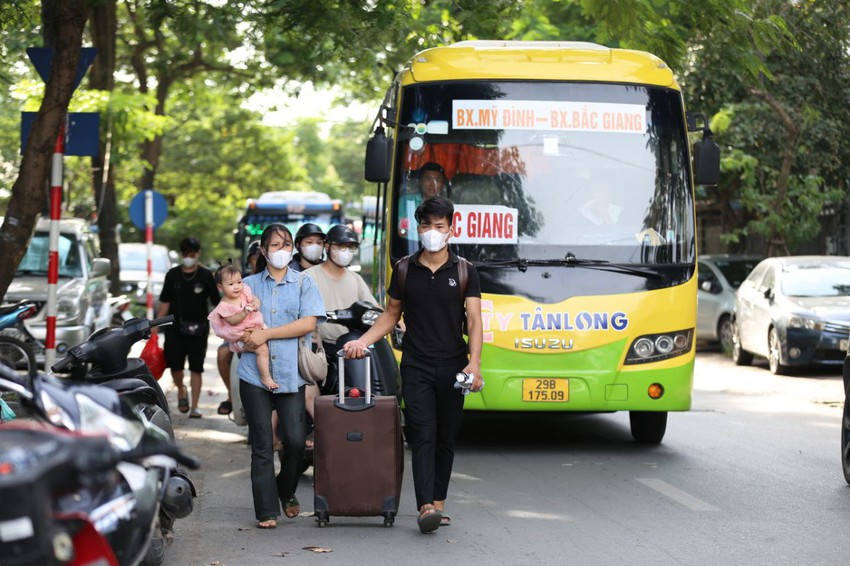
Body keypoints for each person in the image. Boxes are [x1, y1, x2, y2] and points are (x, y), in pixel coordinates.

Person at [343, 196, 483, 534]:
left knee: (445, 438)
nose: (432, 232)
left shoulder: (465, 271)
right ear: (417, 228)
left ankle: (439, 502)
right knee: (423, 434)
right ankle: (425, 507)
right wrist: (364, 341)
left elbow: (475, 321)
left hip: (454, 366)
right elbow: (391, 315)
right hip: (417, 364)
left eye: (439, 226)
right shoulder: (405, 269)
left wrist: (475, 364)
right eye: (426, 226)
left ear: (451, 228)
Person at [238, 223, 325, 529]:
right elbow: (230, 321)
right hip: (253, 374)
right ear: (263, 250)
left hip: (290, 373)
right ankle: (265, 511)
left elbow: (308, 324)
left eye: (286, 245)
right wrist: (241, 339)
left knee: (296, 441)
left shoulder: (304, 283)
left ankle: (285, 490)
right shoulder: (247, 286)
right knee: (262, 443)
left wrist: (266, 334)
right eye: (275, 245)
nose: (281, 250)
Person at [304, 224, 378, 435]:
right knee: (307, 381)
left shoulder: (355, 279)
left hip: (353, 345)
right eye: (341, 246)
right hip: (320, 347)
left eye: (350, 246)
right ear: (327, 247)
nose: (345, 251)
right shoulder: (310, 276)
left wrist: (394, 319)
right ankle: (317, 427)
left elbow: (373, 306)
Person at [156, 237, 220, 418]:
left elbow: (218, 303)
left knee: (196, 368)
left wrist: (226, 323)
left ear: (198, 254)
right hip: (175, 329)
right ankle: (181, 389)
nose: (189, 258)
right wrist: (155, 325)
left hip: (199, 329)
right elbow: (164, 302)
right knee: (175, 366)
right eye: (185, 254)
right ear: (181, 254)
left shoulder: (206, 275)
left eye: (192, 254)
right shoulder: (172, 275)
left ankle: (195, 406)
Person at [208, 262, 277, 391]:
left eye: (239, 282)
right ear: (220, 287)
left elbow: (254, 298)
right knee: (262, 350)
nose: (237, 287)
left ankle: (270, 372)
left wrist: (255, 303)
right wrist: (245, 312)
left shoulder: (244, 291)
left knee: (274, 343)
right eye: (231, 284)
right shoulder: (224, 305)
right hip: (240, 333)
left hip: (256, 325)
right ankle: (265, 377)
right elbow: (232, 321)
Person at [216, 240, 262, 415]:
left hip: (262, 328)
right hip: (237, 330)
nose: (257, 260)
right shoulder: (241, 280)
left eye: (260, 256)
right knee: (222, 353)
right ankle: (231, 395)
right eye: (254, 256)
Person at [400, 162, 449, 238]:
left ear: (442, 184)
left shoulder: (449, 207)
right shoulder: (405, 202)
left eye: (437, 180)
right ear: (420, 181)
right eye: (428, 179)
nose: (432, 184)